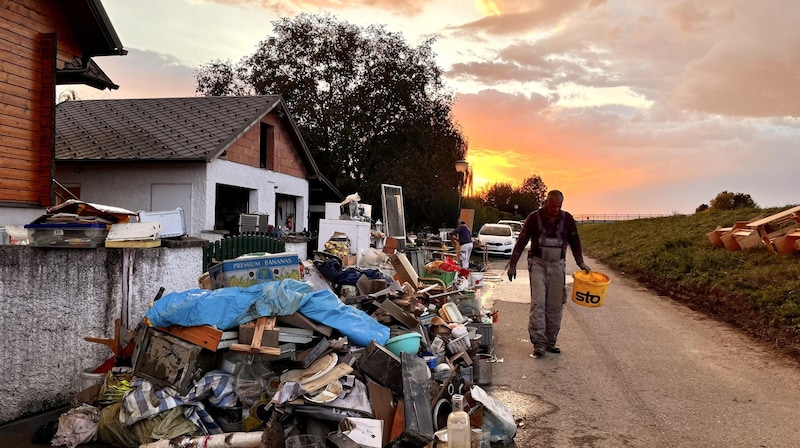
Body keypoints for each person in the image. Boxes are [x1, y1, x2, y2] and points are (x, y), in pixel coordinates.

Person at [507, 190, 590, 359]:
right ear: (546, 203)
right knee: (538, 303)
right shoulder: (533, 218)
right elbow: (522, 240)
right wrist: (513, 264)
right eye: (553, 206)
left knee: (555, 305)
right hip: (538, 264)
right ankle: (539, 343)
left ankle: (551, 341)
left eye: (559, 206)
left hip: (558, 265)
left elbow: (575, 241)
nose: (556, 209)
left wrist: (581, 262)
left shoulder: (567, 219)